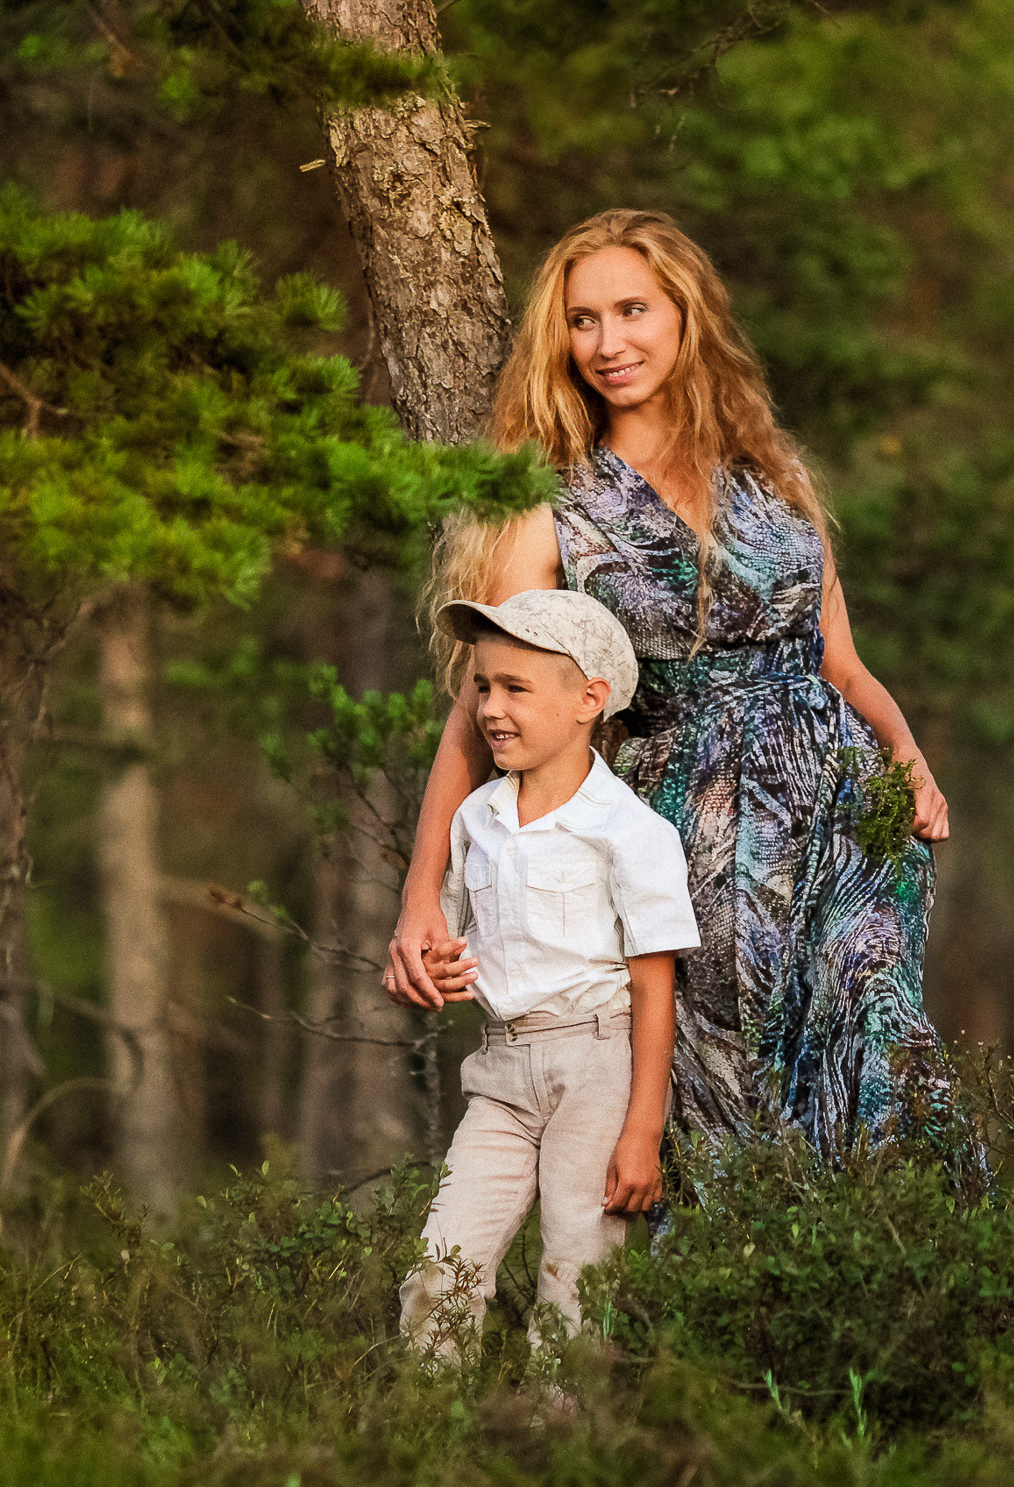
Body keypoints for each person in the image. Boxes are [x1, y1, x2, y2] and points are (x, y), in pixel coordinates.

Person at [387, 208, 957, 1177]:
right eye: (583, 320)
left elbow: (842, 664)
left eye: (632, 310)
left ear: (687, 315)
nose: (608, 342)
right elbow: (482, 713)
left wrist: (907, 756)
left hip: (851, 821)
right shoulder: (553, 503)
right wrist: (421, 900)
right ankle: (738, 1273)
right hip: (695, 833)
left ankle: (918, 1264)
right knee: (728, 1088)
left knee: (879, 1056)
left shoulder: (771, 472)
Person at [398, 588, 698, 1361]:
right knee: (441, 1269)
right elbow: (451, 939)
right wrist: (432, 968)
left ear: (588, 700)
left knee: (576, 1280)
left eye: (516, 689)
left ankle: (559, 1429)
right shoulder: (477, 819)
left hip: (594, 1067)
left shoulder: (631, 831)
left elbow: (653, 987)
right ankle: (426, 1423)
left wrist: (643, 1129)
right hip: (500, 1072)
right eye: (483, 687)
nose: (491, 709)